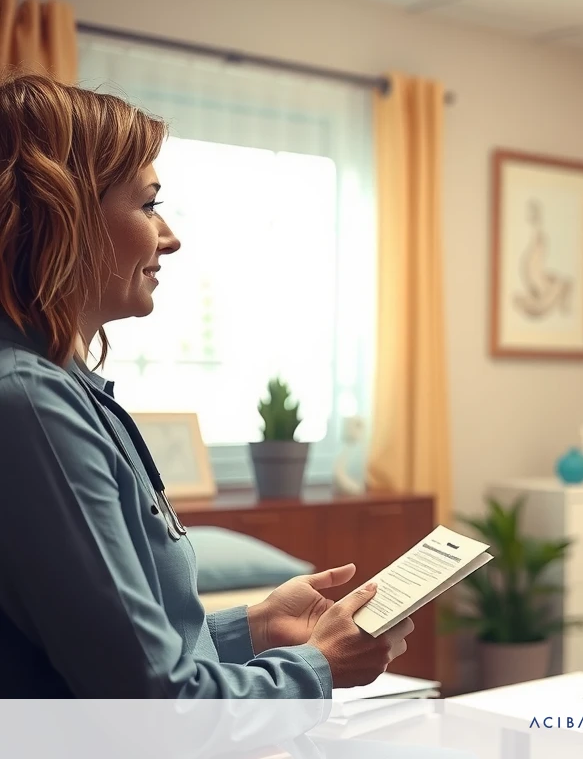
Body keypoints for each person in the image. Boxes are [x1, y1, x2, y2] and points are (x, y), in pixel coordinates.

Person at [0, 72, 412, 697]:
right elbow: (154, 704)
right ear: (64, 216)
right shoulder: (31, 405)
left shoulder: (60, 390)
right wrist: (320, 668)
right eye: (148, 204)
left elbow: (117, 653)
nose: (170, 237)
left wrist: (257, 625)